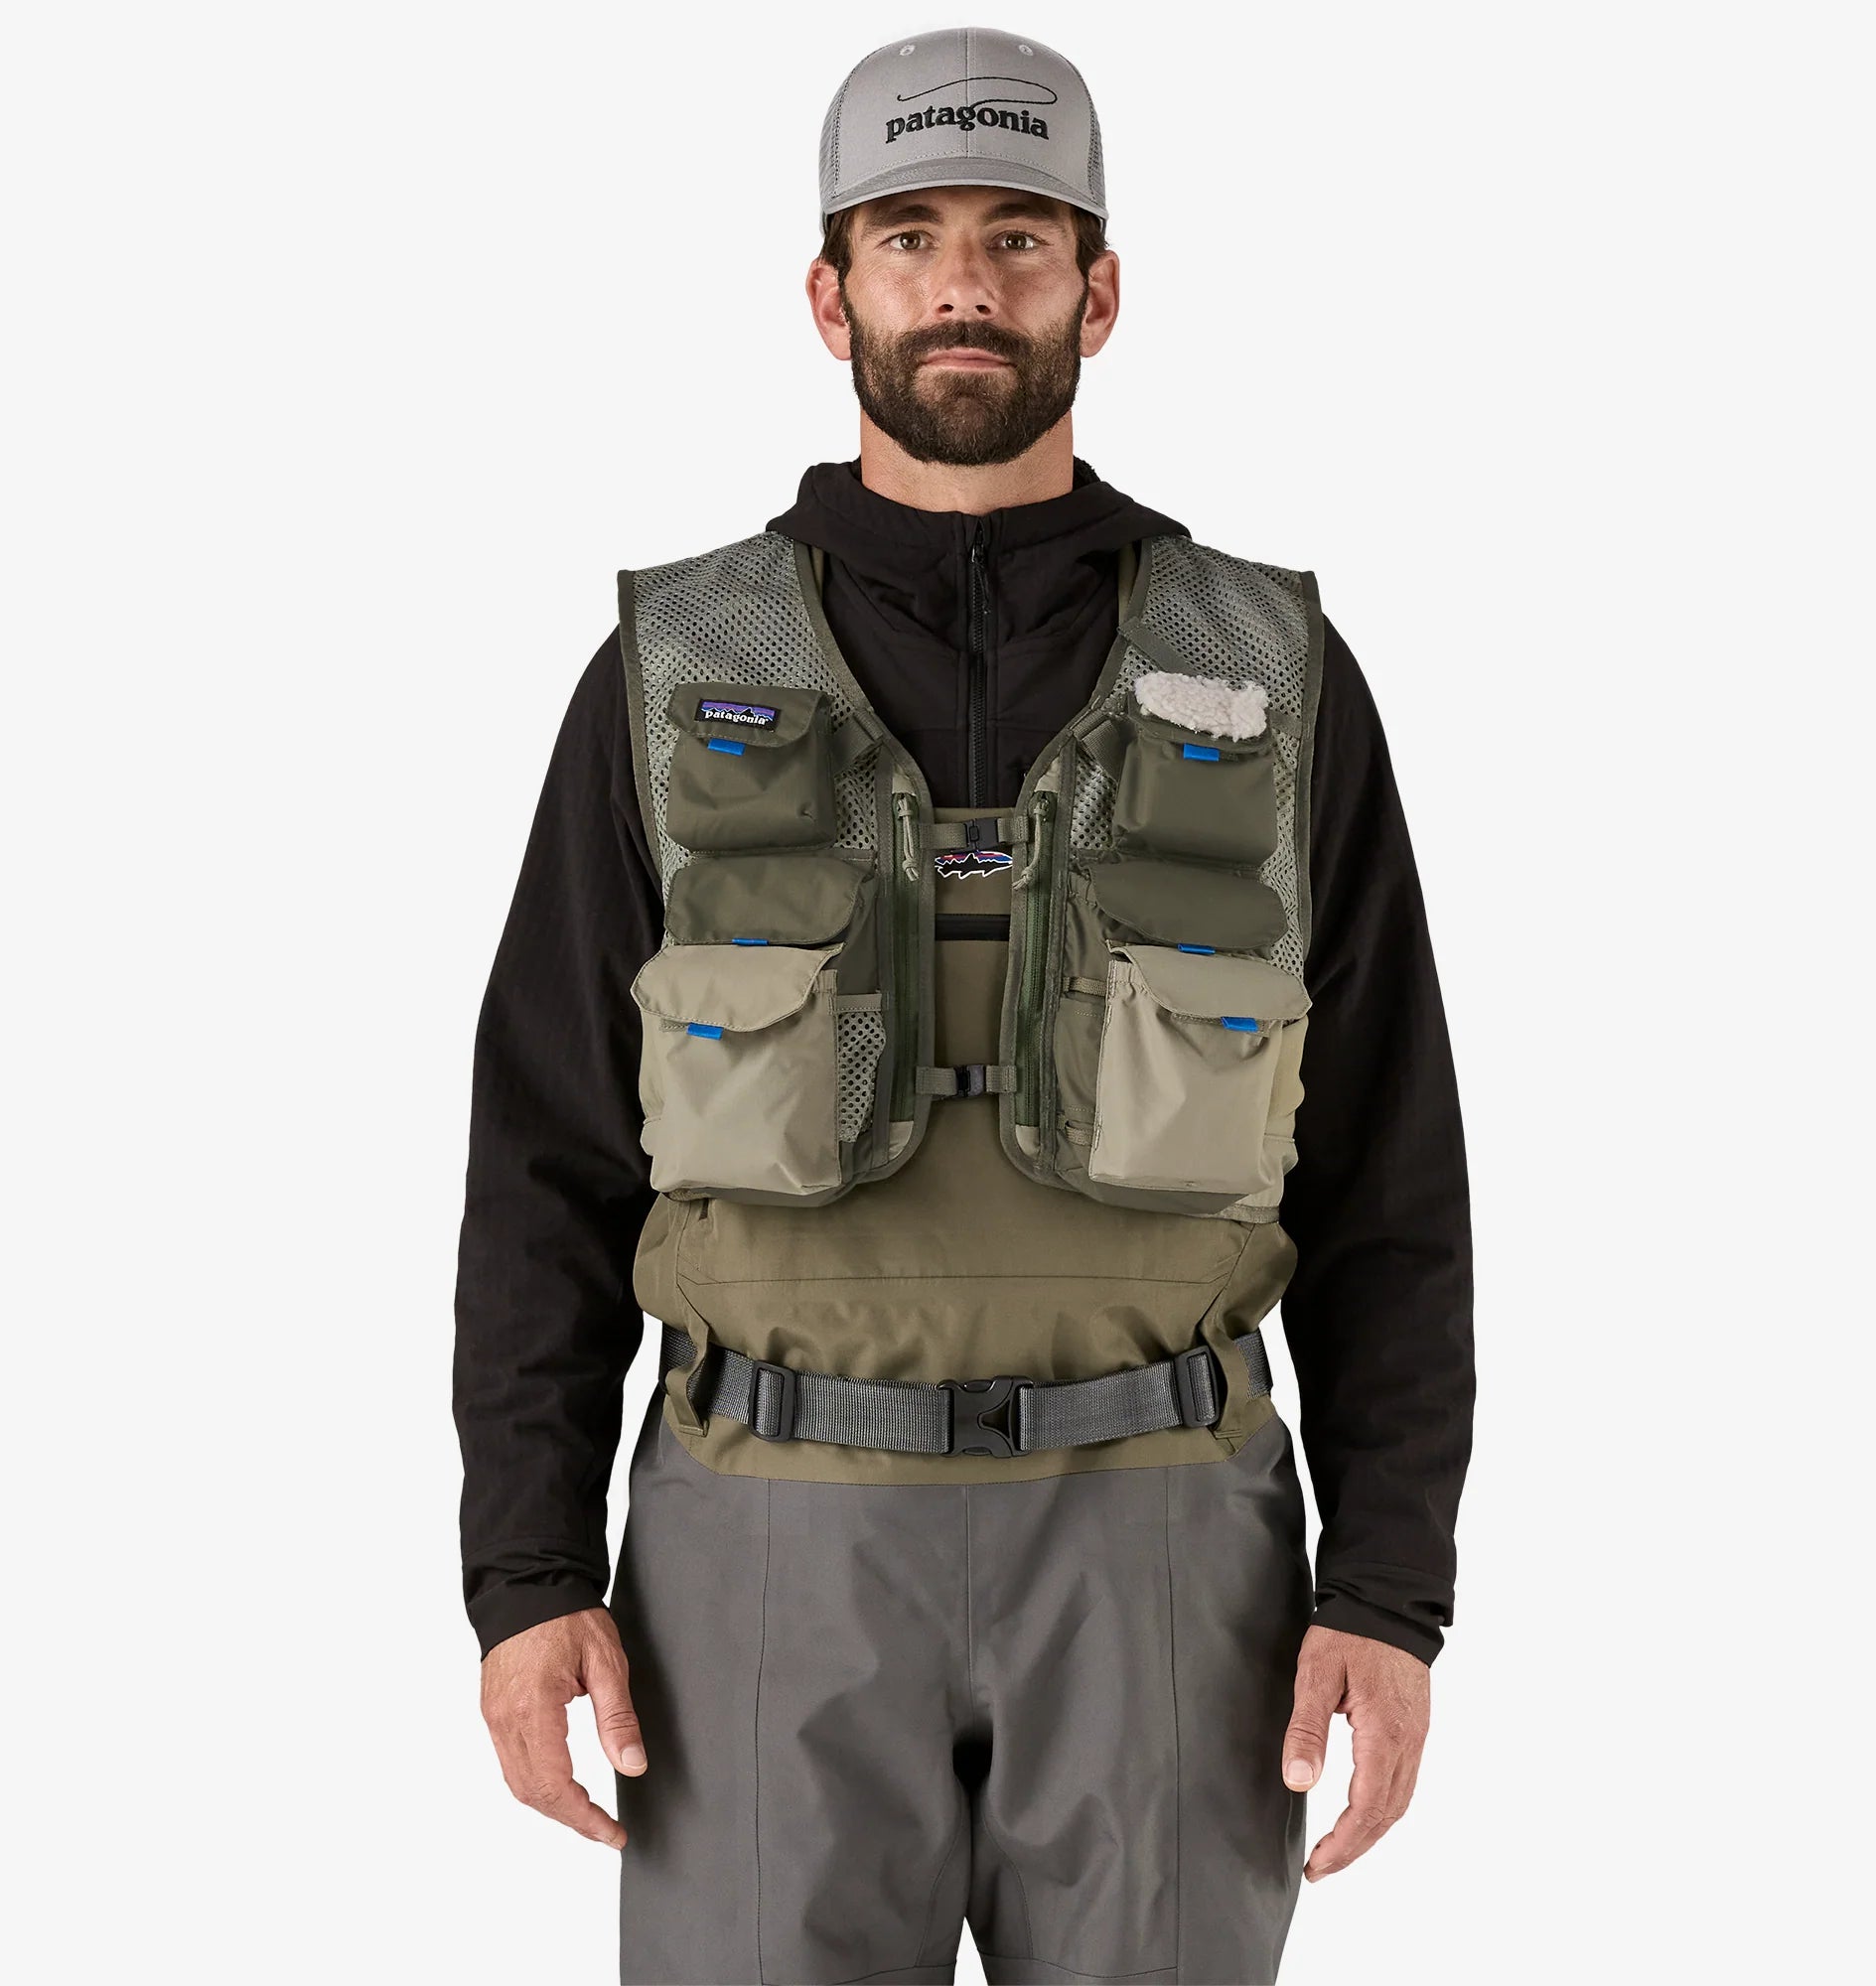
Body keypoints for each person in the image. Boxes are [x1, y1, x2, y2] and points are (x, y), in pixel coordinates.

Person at [453, 27, 1474, 1986]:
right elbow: (545, 1158)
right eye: (910, 235)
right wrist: (525, 1575)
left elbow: (1389, 1177)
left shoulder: (1270, 673)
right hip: (763, 1544)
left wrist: (1388, 1591)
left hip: (1169, 1544)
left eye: (1018, 236)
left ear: (1100, 287)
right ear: (828, 290)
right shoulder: (673, 673)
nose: (964, 286)